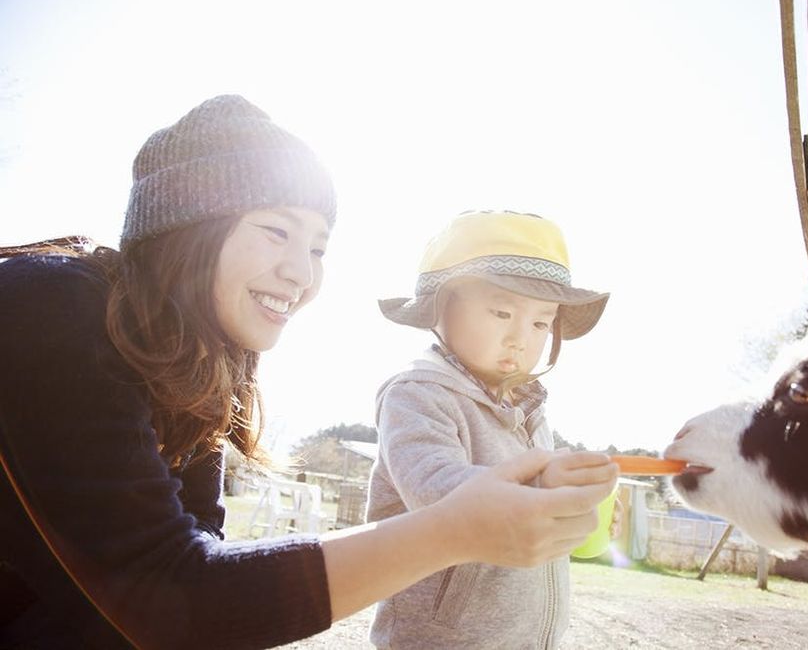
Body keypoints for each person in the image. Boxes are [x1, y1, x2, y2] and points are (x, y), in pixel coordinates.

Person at [0, 95, 619, 650]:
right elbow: (166, 599)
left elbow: (196, 568)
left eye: (318, 248)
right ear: (183, 227)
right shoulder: (50, 307)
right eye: (276, 231)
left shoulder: (197, 369)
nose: (302, 273)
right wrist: (448, 532)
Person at [368, 209, 613, 649]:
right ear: (439, 310)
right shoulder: (419, 394)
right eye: (502, 312)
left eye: (541, 322)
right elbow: (436, 490)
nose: (522, 337)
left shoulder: (530, 409)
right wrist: (543, 484)